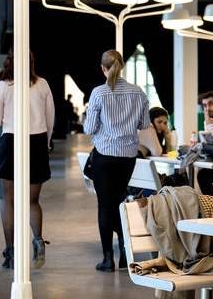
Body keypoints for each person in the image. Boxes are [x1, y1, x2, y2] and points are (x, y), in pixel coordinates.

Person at [84, 50, 150, 272]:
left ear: (103, 68)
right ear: (121, 67)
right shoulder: (138, 92)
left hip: (104, 156)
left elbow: (89, 128)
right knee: (120, 202)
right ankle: (124, 253)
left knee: (105, 205)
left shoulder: (98, 94)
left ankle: (107, 259)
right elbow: (143, 124)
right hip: (128, 157)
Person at [0, 52, 54, 270]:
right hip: (37, 143)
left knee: (9, 200)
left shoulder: (4, 86)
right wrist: (46, 141)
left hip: (11, 141)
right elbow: (50, 119)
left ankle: (11, 252)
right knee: (32, 201)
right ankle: (38, 241)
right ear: (31, 63)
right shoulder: (42, 84)